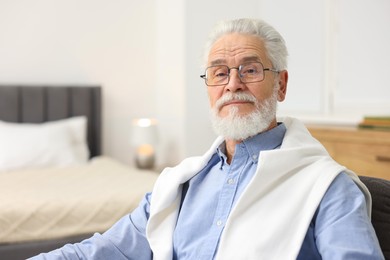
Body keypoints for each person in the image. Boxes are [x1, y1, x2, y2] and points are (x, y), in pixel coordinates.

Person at [30, 18, 384, 260]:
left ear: (281, 84)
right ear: (209, 88)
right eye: (219, 73)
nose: (233, 84)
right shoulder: (178, 184)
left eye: (250, 69)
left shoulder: (328, 187)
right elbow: (104, 251)